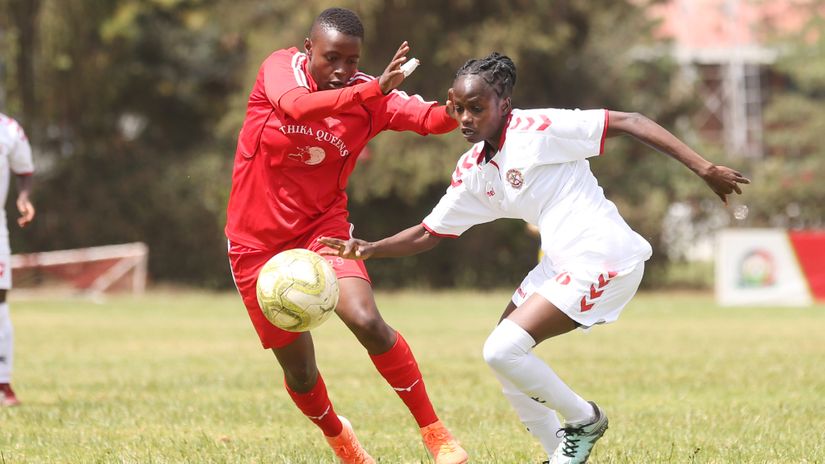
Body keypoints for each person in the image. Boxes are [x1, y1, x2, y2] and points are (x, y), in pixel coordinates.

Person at [319, 52, 750, 464]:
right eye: (460, 108)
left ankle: (585, 420)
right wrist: (370, 248)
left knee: (502, 351)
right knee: (506, 358)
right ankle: (557, 452)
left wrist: (704, 168)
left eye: (478, 107)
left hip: (603, 257)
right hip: (560, 264)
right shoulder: (474, 169)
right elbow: (430, 233)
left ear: (504, 104)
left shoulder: (539, 128)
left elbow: (631, 121)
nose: (467, 118)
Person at [224, 7, 468, 464]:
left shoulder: (368, 95)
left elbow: (432, 120)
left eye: (352, 61)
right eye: (331, 58)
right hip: (256, 246)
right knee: (300, 373)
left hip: (323, 229)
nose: (342, 71)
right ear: (307, 47)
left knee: (367, 320)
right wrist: (372, 90)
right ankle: (340, 439)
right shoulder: (279, 70)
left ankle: (435, 433)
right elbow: (295, 106)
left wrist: (457, 108)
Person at [0, 112, 36, 407]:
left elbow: (24, 170)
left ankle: (2, 383)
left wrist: (23, 198)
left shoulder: (9, 129)